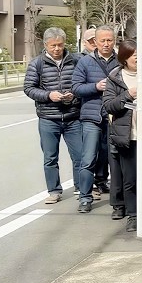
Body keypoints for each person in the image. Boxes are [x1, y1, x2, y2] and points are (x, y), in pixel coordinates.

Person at [102, 40, 142, 233]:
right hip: (127, 136)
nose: (137, 57)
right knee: (130, 178)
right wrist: (127, 95)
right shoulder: (115, 77)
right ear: (124, 57)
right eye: (132, 54)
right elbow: (108, 105)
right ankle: (133, 215)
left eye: (139, 54)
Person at [24, 27, 88, 208]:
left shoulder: (76, 60)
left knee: (80, 155)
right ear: (46, 45)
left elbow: (81, 83)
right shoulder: (37, 63)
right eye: (53, 46)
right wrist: (48, 95)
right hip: (48, 117)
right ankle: (54, 191)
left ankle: (80, 188)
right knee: (50, 157)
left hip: (73, 116)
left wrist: (74, 96)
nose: (57, 49)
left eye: (60, 45)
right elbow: (29, 88)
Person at [72, 25, 118, 209]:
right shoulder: (85, 62)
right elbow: (75, 88)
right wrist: (95, 87)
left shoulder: (121, 60)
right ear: (95, 42)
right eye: (102, 41)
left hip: (115, 116)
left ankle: (117, 199)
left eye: (109, 40)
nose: (106, 44)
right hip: (91, 116)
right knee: (88, 158)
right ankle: (85, 197)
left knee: (112, 159)